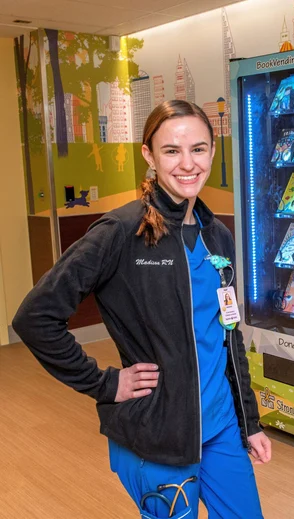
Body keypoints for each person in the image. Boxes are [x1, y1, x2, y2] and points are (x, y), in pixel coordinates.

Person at [13, 99, 271, 519]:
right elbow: (35, 317)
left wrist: (250, 422)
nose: (188, 164)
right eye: (172, 150)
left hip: (221, 425)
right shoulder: (121, 232)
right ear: (149, 155)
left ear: (212, 152)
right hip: (158, 432)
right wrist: (104, 384)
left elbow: (228, 335)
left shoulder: (218, 237)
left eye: (199, 149)